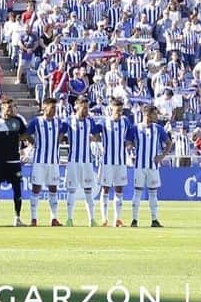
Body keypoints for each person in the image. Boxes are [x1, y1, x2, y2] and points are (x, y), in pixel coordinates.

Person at [0, 97, 28, 226]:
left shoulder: (18, 121)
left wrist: (19, 142)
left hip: (14, 161)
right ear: (2, 107)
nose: (10, 109)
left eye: (12, 107)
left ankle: (17, 218)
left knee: (17, 190)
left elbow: (25, 135)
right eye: (8, 107)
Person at [26, 97, 67, 227]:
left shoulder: (58, 122)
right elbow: (26, 134)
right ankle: (33, 218)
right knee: (36, 188)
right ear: (44, 107)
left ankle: (54, 218)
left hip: (53, 161)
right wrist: (34, 143)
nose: (54, 110)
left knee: (53, 188)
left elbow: (63, 132)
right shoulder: (36, 122)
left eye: (55, 108)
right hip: (39, 161)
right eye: (52, 107)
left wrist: (58, 141)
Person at [129, 105, 170, 227]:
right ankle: (134, 220)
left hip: (153, 166)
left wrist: (161, 156)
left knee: (153, 193)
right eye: (155, 114)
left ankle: (154, 220)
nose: (157, 116)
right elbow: (128, 143)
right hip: (140, 166)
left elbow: (168, 143)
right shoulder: (135, 128)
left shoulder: (158, 129)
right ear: (147, 114)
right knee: (137, 193)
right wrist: (130, 153)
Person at [65, 95, 101, 227]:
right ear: (77, 107)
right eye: (84, 108)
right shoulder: (69, 121)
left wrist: (91, 138)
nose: (87, 110)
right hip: (73, 160)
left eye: (87, 108)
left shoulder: (89, 122)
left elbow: (97, 135)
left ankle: (92, 219)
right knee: (72, 190)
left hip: (87, 161)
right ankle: (69, 219)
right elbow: (60, 135)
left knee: (88, 190)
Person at [97, 98, 133, 227]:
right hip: (107, 161)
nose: (119, 113)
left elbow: (130, 136)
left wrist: (128, 145)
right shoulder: (104, 122)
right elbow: (95, 135)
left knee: (119, 190)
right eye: (117, 111)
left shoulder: (125, 122)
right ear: (111, 110)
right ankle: (104, 219)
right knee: (105, 189)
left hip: (121, 161)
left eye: (121, 111)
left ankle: (117, 219)